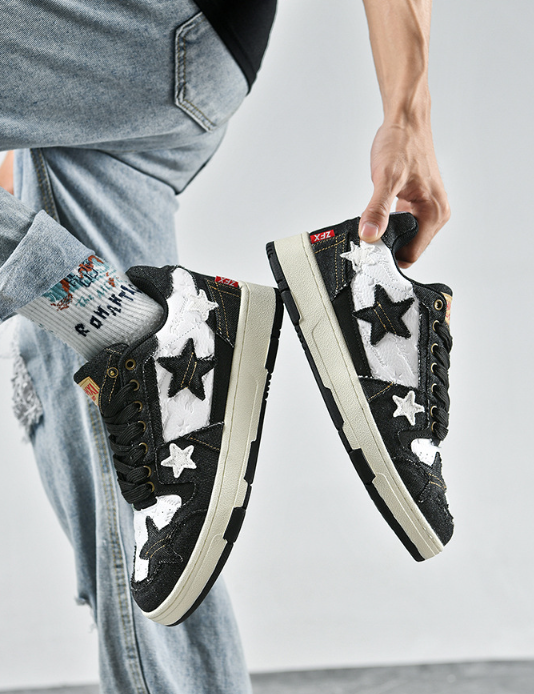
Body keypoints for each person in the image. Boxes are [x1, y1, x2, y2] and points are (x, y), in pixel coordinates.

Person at [0, 1, 450, 692]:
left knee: (120, 359)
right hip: (161, 67)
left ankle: (137, 330)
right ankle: (157, 340)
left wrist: (409, 115)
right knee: (159, 498)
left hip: (140, 26)